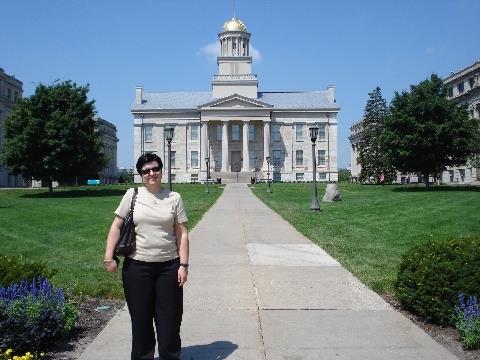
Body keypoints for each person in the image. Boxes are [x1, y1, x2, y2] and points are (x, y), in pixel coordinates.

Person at [104, 153, 189, 360]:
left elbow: (182, 233)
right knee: (141, 321)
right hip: (137, 267)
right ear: (141, 174)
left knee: (170, 321)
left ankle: (170, 356)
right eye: (146, 171)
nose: (151, 173)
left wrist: (183, 265)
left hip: (169, 267)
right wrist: (109, 257)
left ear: (161, 170)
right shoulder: (132, 195)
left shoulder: (174, 198)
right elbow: (116, 226)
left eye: (155, 169)